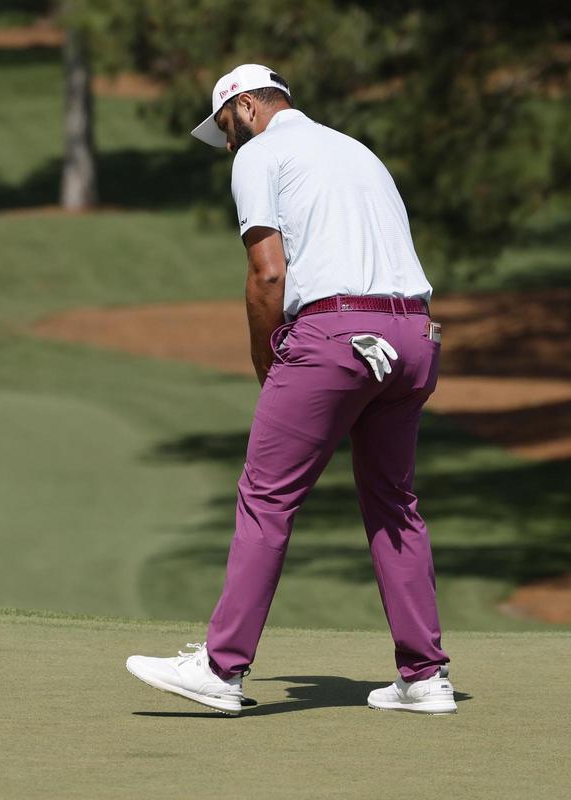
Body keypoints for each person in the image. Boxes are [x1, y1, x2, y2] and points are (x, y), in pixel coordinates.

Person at [125, 64, 457, 716]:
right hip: (416, 336)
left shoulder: (260, 154)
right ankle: (425, 676)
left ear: (248, 106)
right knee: (394, 503)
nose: (227, 142)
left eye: (226, 126)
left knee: (266, 496)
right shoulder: (357, 151)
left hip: (336, 335)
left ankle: (220, 668)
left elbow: (268, 274)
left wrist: (265, 360)